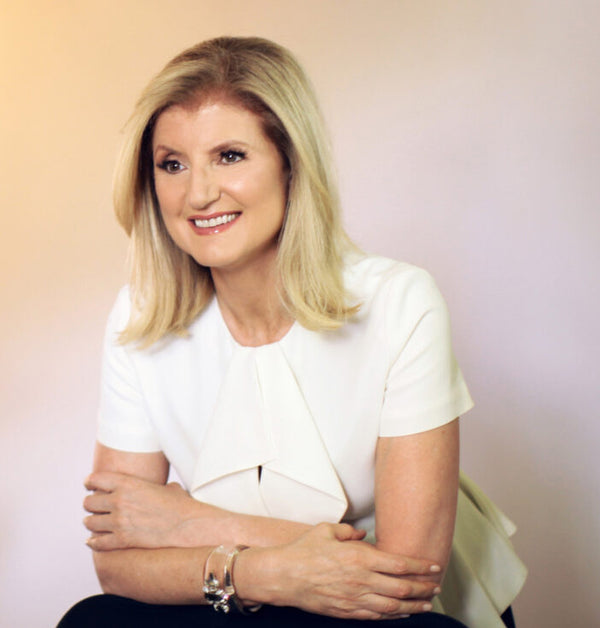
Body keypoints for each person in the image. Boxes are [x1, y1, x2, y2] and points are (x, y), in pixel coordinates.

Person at [58, 37, 525, 628]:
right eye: (172, 164)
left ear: (291, 163)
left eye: (230, 156)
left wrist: (190, 524)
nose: (197, 193)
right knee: (95, 619)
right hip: (245, 599)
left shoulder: (399, 301)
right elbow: (118, 566)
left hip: (394, 616)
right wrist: (269, 572)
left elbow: (401, 575)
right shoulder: (141, 316)